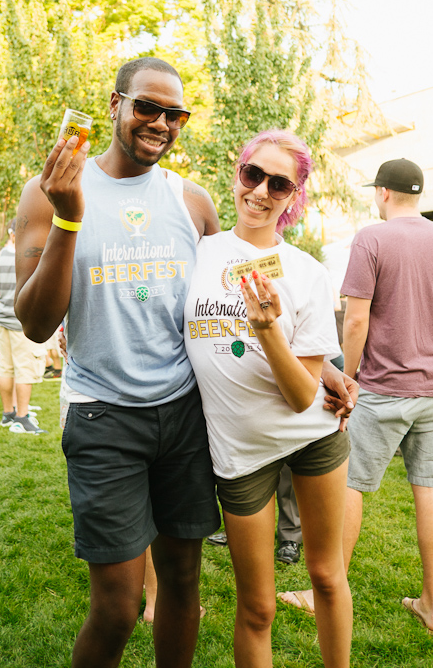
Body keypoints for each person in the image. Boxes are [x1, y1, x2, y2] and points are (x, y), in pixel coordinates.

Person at [13, 57, 222, 668]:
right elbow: (35, 322)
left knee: (184, 584)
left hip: (184, 414)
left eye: (174, 114)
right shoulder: (48, 191)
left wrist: (322, 369)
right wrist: (69, 216)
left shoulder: (193, 201)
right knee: (118, 603)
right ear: (115, 105)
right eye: (147, 108)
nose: (160, 123)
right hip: (103, 415)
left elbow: (229, 311)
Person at [184, 129, 354, 668]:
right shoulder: (199, 252)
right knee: (256, 607)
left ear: (293, 196)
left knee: (327, 576)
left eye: (278, 184)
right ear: (238, 173)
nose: (260, 191)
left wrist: (268, 330)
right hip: (239, 452)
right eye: (252, 174)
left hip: (312, 438)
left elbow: (302, 394)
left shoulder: (307, 272)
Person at [339, 158, 433, 636]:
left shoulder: (372, 237)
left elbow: (354, 320)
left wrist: (347, 378)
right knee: (429, 489)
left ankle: (326, 590)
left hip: (385, 388)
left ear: (383, 193)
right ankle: (432, 608)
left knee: (350, 484)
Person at [0, 219, 47, 434]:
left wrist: (3, 307)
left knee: (5, 367)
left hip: (2, 318)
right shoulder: (27, 255)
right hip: (21, 321)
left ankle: (8, 414)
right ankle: (23, 417)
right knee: (25, 369)